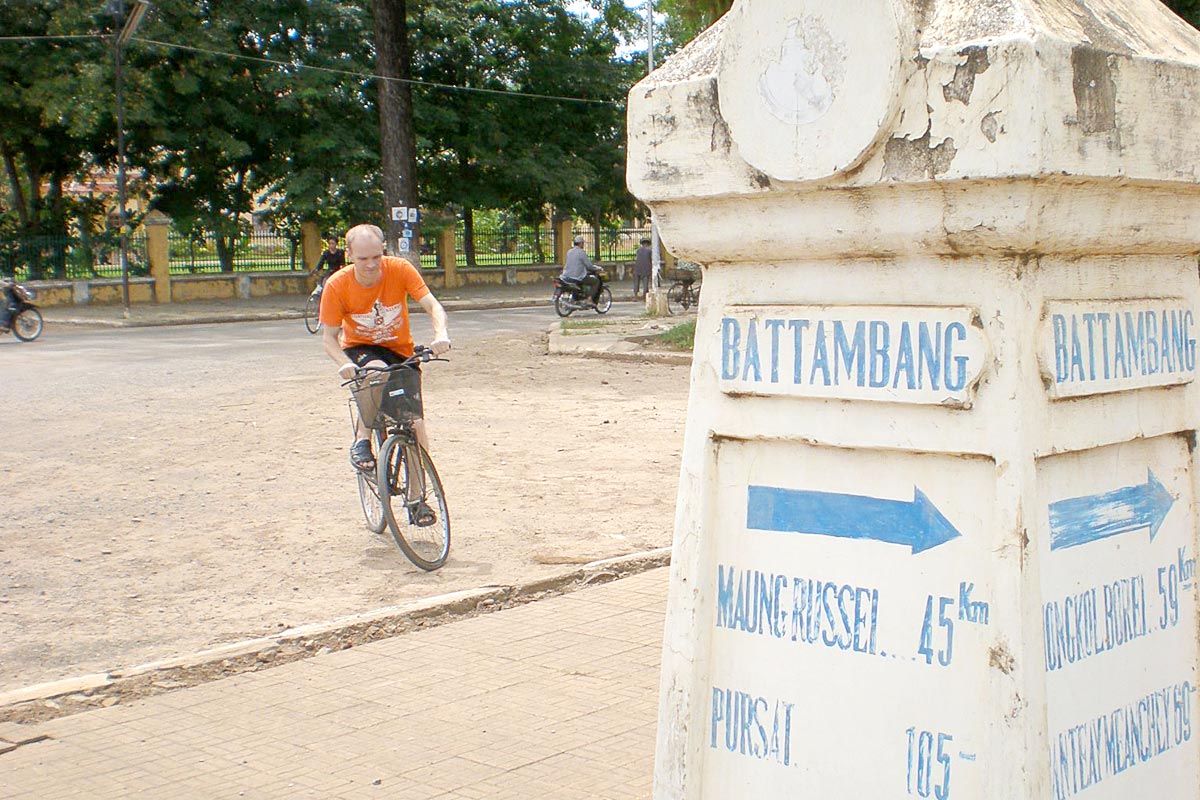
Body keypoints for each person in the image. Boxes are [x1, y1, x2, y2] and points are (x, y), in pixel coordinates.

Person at [319, 224, 451, 489]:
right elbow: (329, 339)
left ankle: (417, 496)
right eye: (363, 259)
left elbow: (432, 305)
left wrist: (441, 334)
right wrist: (344, 363)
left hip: (400, 351)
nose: (370, 265)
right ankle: (362, 439)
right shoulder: (337, 285)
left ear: (384, 251)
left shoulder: (400, 269)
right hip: (360, 348)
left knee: (416, 425)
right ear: (349, 255)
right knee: (377, 372)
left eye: (376, 257)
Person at [560, 234, 600, 304]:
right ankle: (589, 299)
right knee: (596, 282)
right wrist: (597, 268)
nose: (583, 245)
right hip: (577, 276)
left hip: (566, 276)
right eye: (583, 243)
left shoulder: (569, 252)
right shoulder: (581, 252)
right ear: (581, 243)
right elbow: (589, 266)